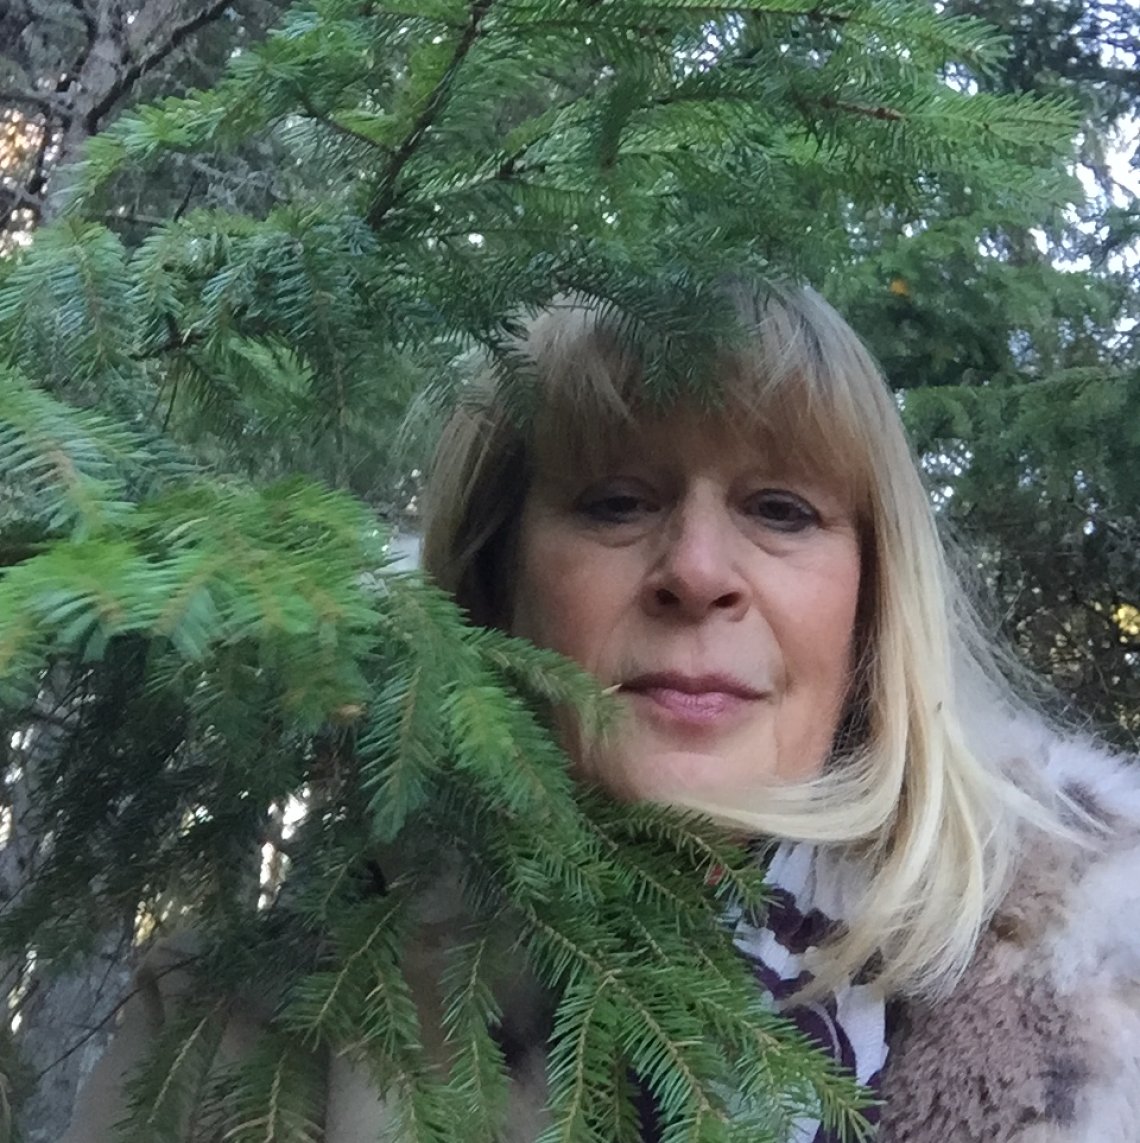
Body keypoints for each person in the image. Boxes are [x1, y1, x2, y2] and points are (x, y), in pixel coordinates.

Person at [420, 283, 1140, 1142]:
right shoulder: (307, 1003)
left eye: (779, 510)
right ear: (495, 580)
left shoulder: (1107, 980)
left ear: (873, 601)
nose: (696, 571)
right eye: (618, 501)